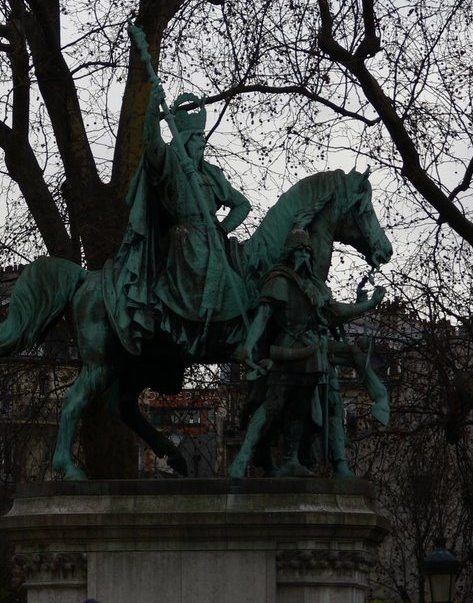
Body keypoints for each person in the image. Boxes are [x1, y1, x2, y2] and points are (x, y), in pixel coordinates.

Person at [228, 227, 385, 478]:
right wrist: (248, 345)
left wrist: (368, 304)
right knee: (271, 407)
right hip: (286, 350)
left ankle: (291, 459)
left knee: (298, 411)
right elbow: (262, 317)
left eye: (307, 251)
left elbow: (335, 312)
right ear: (290, 253)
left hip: (313, 357)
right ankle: (243, 457)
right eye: (299, 250)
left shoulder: (316, 288)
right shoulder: (278, 281)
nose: (303, 255)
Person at [112, 77, 251, 357]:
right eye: (197, 138)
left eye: (203, 137)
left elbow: (242, 205)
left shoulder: (211, 173)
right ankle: (182, 315)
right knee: (183, 238)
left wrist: (222, 228)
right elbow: (152, 147)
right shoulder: (172, 165)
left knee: (243, 278)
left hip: (213, 237)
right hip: (183, 235)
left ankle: (226, 326)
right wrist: (153, 112)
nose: (202, 142)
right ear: (185, 140)